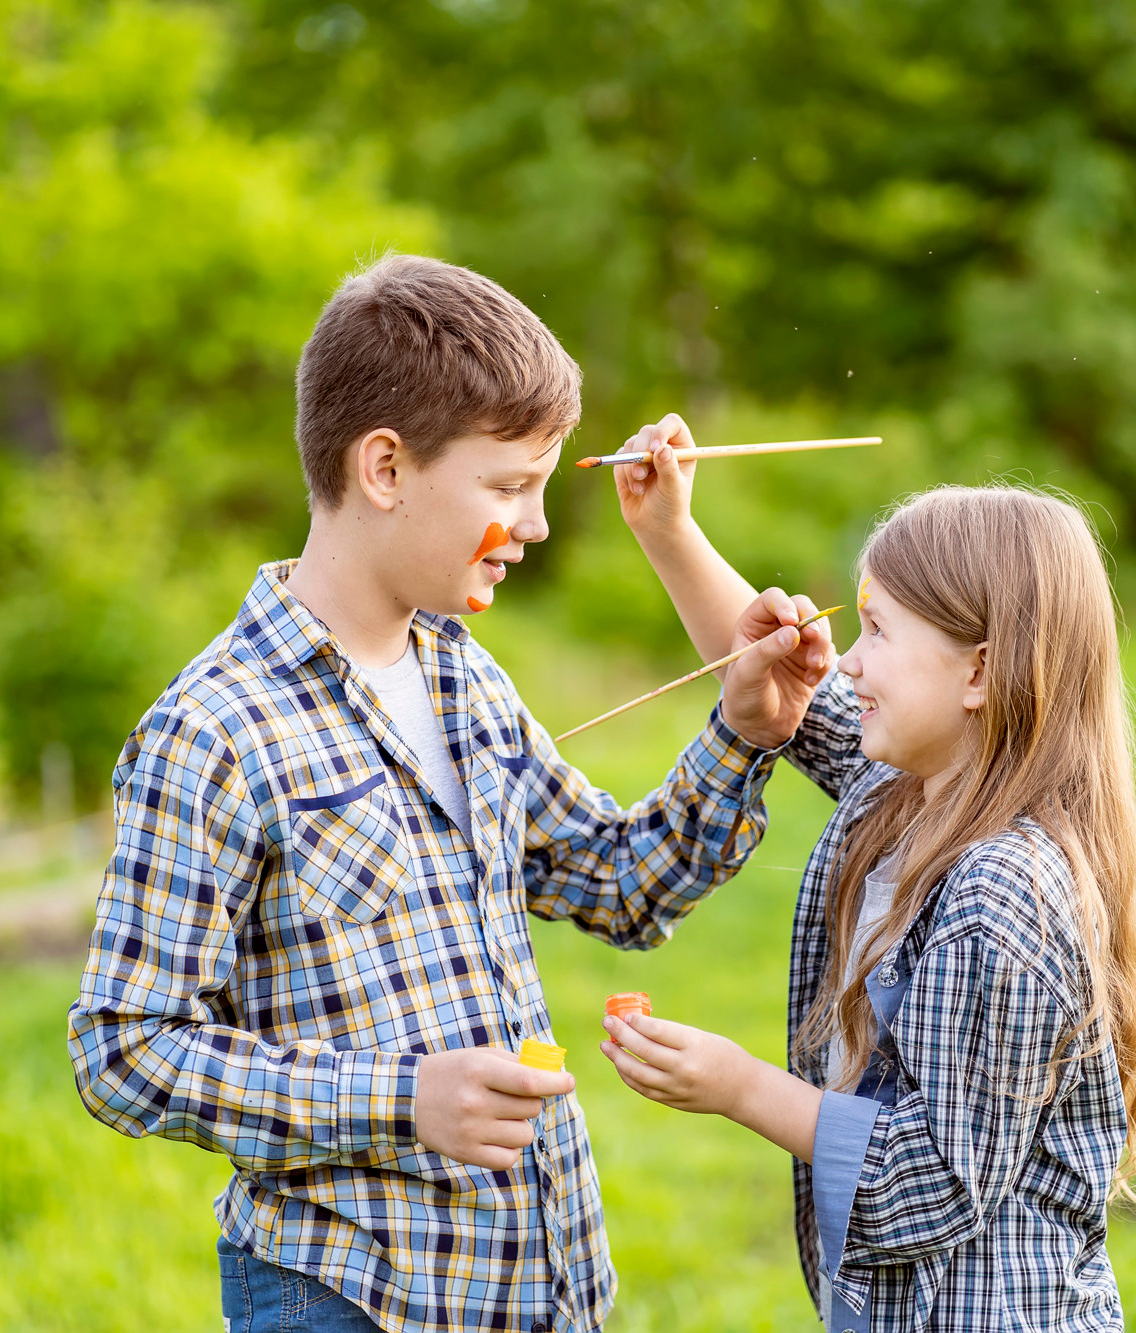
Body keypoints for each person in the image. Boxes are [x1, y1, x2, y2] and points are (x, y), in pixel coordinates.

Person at [66, 264, 830, 1333]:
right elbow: (124, 1048)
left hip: (535, 1288)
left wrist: (743, 732)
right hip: (350, 1297)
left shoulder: (461, 675)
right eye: (508, 487)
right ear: (384, 466)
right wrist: (402, 1100)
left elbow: (620, 886)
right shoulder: (214, 730)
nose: (536, 526)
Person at [597, 416, 1136, 1332]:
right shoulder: (906, 789)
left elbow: (932, 1184)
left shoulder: (1002, 896)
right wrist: (668, 532)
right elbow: (787, 692)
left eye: (876, 631)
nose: (849, 659)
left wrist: (741, 1087)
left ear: (978, 672)